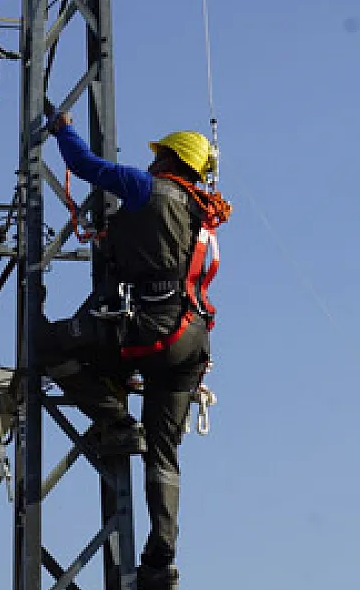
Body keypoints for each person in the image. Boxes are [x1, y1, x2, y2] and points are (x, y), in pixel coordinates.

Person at [38, 110, 228, 590]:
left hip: (151, 330)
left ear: (169, 159)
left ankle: (118, 421)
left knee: (49, 347)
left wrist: (61, 128)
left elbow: (84, 165)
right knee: (164, 454)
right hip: (192, 342)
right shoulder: (201, 214)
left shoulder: (147, 188)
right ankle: (161, 560)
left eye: (159, 154)